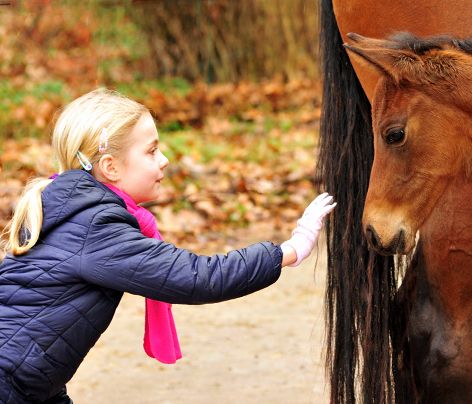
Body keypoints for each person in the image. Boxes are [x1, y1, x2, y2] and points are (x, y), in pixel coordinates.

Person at [0, 89, 336, 404]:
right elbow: (197, 277)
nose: (164, 159)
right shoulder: (95, 226)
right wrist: (289, 251)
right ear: (111, 168)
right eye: (150, 151)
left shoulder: (73, 211)